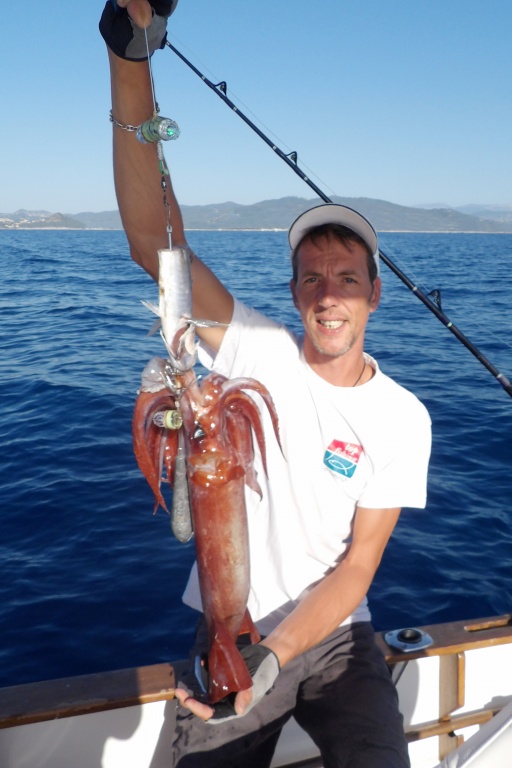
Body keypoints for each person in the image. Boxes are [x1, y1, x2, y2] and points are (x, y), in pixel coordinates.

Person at [100, 2, 432, 766]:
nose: (328, 295)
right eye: (312, 278)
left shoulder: (401, 417)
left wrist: (276, 656)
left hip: (337, 637)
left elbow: (356, 570)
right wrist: (128, 56)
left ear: (373, 295)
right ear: (292, 294)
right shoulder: (259, 354)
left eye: (348, 278)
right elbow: (157, 244)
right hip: (230, 620)